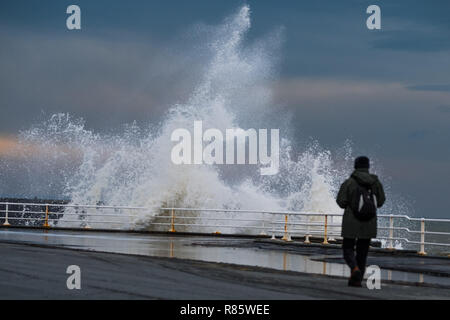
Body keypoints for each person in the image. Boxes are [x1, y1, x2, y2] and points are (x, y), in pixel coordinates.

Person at [336, 156, 386, 287]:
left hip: (351, 222)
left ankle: (354, 269)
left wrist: (351, 205)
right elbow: (380, 202)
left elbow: (341, 202)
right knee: (362, 253)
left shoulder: (349, 182)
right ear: (368, 166)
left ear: (355, 166)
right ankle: (356, 281)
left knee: (348, 248)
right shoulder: (376, 183)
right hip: (369, 222)